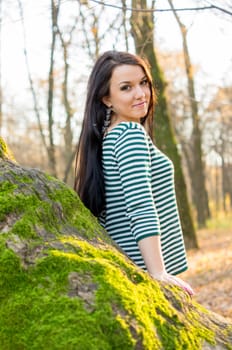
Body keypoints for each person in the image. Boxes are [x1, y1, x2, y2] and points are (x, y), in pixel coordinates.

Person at [74, 50, 194, 296]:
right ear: (107, 99)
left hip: (129, 270)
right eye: (126, 87)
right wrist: (157, 273)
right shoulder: (130, 135)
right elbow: (140, 206)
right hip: (144, 270)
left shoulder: (109, 138)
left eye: (143, 83)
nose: (141, 94)